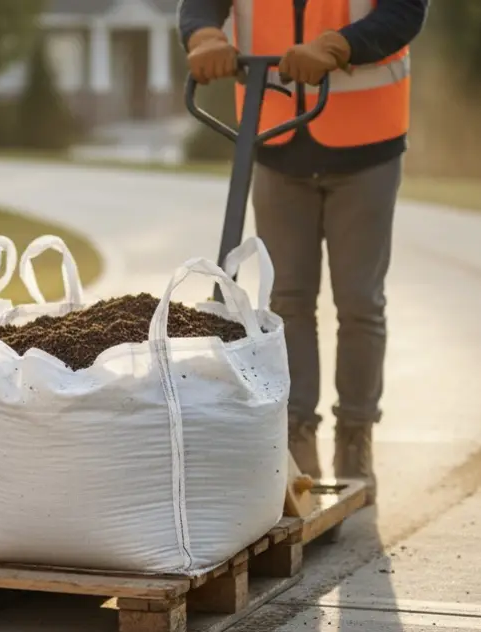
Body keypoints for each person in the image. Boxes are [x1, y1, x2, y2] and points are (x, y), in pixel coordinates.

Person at [178, 0, 428, 502]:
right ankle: (295, 434)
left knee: (359, 301)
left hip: (366, 143)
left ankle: (356, 434)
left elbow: (404, 13)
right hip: (273, 136)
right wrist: (204, 36)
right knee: (287, 300)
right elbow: (202, 5)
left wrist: (340, 46)